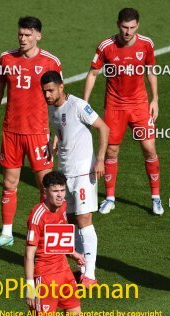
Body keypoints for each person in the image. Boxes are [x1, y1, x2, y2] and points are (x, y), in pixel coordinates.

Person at [0, 16, 63, 249]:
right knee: (9, 184)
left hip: (38, 133)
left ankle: (47, 234)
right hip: (11, 132)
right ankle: (7, 234)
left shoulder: (50, 61)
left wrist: (57, 131)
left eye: (28, 35)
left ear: (38, 36)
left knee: (46, 186)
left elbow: (59, 96)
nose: (23, 38)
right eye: (20, 34)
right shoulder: (6, 58)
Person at [83, 7, 164, 215]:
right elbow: (93, 74)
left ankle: (156, 197)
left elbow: (151, 70)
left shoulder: (146, 44)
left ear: (138, 25)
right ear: (118, 24)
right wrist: (84, 103)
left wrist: (155, 99)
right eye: (125, 27)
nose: (128, 32)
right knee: (111, 151)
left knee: (149, 148)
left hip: (139, 105)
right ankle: (110, 198)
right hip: (115, 106)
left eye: (132, 27)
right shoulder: (106, 46)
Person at [41, 70, 109, 287]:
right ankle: (81, 268)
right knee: (70, 221)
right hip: (65, 173)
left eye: (51, 90)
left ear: (62, 86)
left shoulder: (78, 105)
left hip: (83, 172)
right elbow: (60, 130)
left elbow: (103, 128)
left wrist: (99, 159)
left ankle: (91, 273)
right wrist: (53, 145)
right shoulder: (52, 108)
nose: (47, 95)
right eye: (44, 91)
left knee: (84, 221)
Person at [25, 171, 85, 316]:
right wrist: (30, 287)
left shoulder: (63, 206)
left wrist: (72, 253)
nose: (60, 195)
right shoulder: (37, 216)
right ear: (45, 191)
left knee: (75, 315)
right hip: (45, 275)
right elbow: (29, 254)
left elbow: (59, 237)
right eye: (55, 191)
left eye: (62, 190)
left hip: (64, 270)